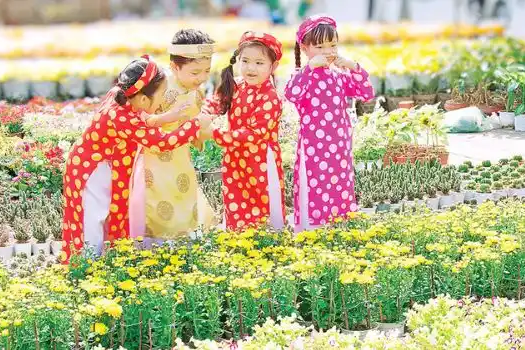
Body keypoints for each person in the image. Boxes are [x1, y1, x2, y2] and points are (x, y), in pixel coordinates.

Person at [62, 56, 213, 260]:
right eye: (160, 97)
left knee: (105, 216)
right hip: (91, 170)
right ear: (143, 99)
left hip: (104, 166)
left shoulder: (122, 96)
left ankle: (102, 263)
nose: (161, 102)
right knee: (91, 221)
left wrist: (167, 117)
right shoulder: (121, 117)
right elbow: (161, 143)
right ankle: (85, 266)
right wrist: (195, 125)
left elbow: (142, 121)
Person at [285, 15, 374, 232]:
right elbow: (290, 94)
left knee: (340, 182)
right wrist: (308, 69)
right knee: (315, 184)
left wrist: (353, 67)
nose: (328, 51)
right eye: (319, 46)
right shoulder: (303, 76)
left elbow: (366, 93)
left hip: (340, 144)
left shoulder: (339, 76)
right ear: (305, 48)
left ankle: (340, 221)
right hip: (314, 146)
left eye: (332, 45)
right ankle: (313, 226)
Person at [129, 29, 218, 245]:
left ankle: (180, 245)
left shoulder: (196, 91)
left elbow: (194, 122)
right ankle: (157, 245)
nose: (202, 78)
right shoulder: (162, 88)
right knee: (160, 199)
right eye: (195, 72)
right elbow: (141, 115)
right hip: (155, 158)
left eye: (206, 71)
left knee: (183, 196)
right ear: (174, 67)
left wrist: (203, 135)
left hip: (180, 156)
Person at [202, 31, 286, 230]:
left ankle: (267, 245)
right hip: (235, 158)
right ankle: (238, 242)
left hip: (260, 162)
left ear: (273, 66)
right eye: (245, 60)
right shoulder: (237, 85)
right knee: (236, 202)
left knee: (262, 202)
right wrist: (203, 115)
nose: (250, 68)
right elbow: (216, 102)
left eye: (259, 63)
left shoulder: (270, 97)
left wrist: (215, 134)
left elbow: (254, 134)